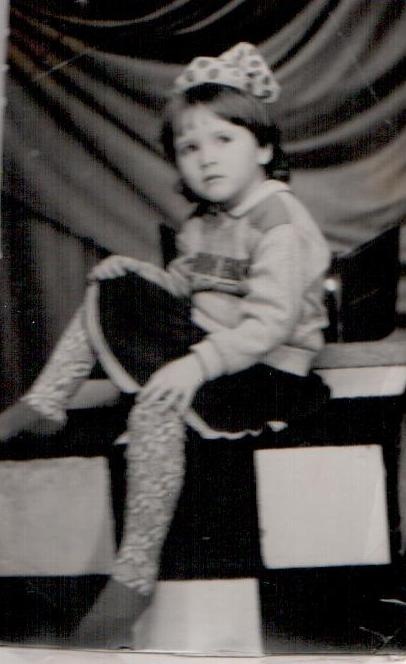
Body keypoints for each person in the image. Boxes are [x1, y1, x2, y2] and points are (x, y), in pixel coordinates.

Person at [0, 42, 331, 648]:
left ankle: (134, 577)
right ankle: (45, 402)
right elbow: (187, 289)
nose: (206, 158)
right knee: (113, 285)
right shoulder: (203, 221)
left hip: (263, 372)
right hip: (215, 355)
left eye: (223, 139)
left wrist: (193, 368)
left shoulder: (279, 223)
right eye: (189, 147)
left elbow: (268, 325)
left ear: (263, 148)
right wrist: (140, 276)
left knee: (158, 403)